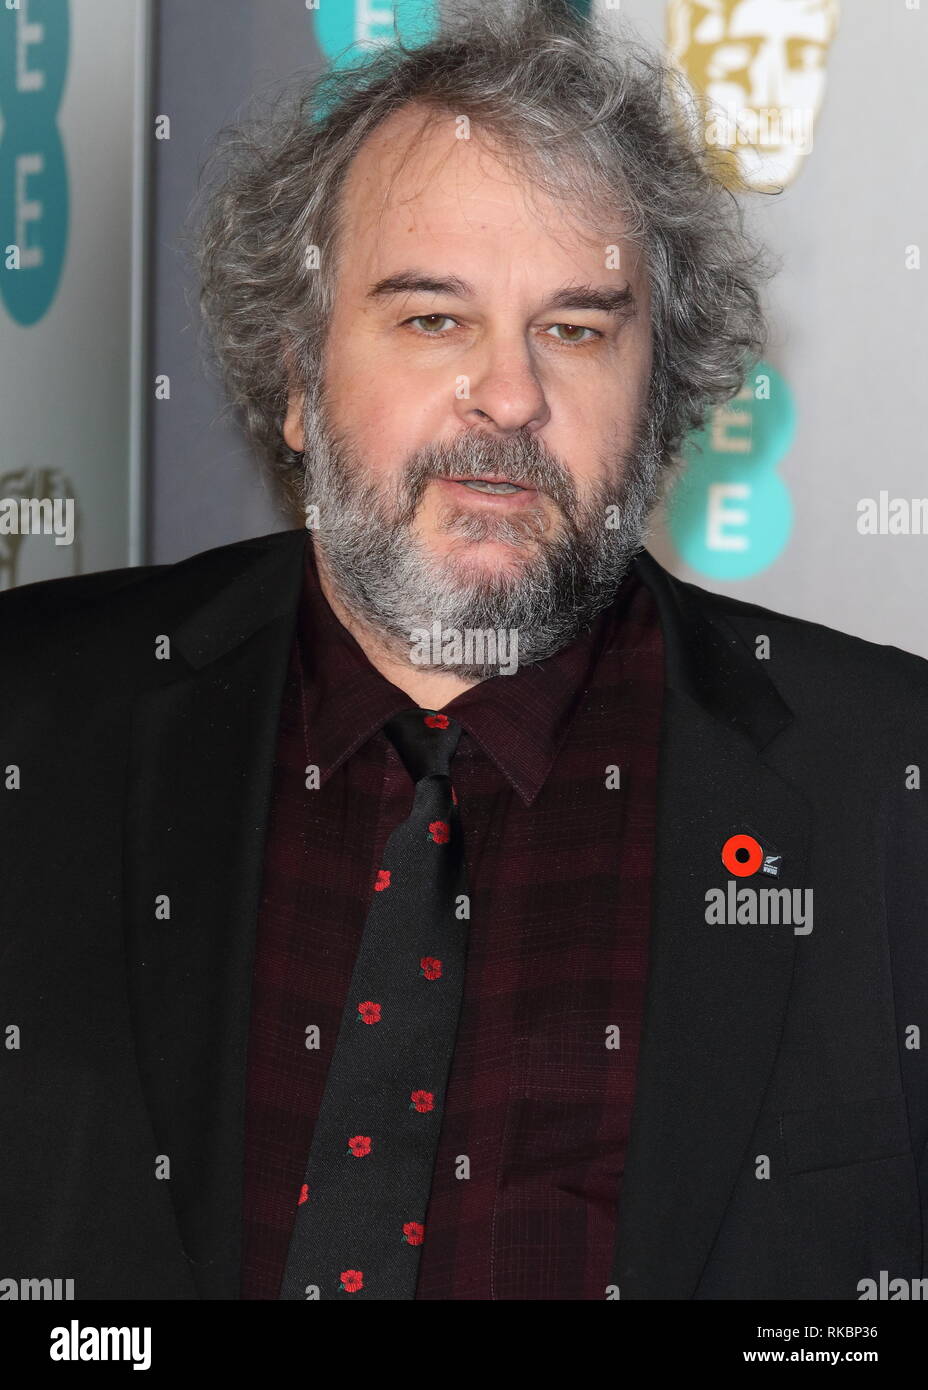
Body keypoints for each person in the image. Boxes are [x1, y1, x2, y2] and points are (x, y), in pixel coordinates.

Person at [1, 1, 925, 1302]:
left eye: (579, 327)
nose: (508, 394)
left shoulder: (888, 778)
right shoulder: (33, 722)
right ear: (293, 373)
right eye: (433, 318)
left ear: (663, 405)